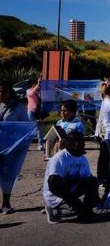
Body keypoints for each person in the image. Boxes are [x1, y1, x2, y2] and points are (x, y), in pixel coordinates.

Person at [43, 131, 99, 223]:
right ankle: (53, 209)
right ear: (69, 144)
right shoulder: (59, 158)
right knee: (75, 211)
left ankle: (87, 210)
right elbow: (53, 184)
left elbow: (88, 180)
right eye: (76, 143)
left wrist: (94, 200)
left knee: (92, 180)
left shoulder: (82, 159)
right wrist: (73, 202)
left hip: (71, 190)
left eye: (80, 143)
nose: (78, 145)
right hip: (57, 195)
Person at [0, 81, 31, 214]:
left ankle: (6, 204)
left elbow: (26, 127)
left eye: (3, 91)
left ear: (10, 92)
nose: (1, 94)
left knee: (7, 175)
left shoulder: (18, 107)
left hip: (10, 147)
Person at [26, 77, 45, 151]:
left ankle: (40, 145)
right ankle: (26, 145)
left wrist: (40, 84)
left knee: (39, 128)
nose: (36, 85)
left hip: (38, 112)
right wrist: (38, 83)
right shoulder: (28, 91)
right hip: (30, 111)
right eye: (35, 83)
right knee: (30, 128)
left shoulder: (37, 91)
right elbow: (32, 93)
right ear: (32, 84)